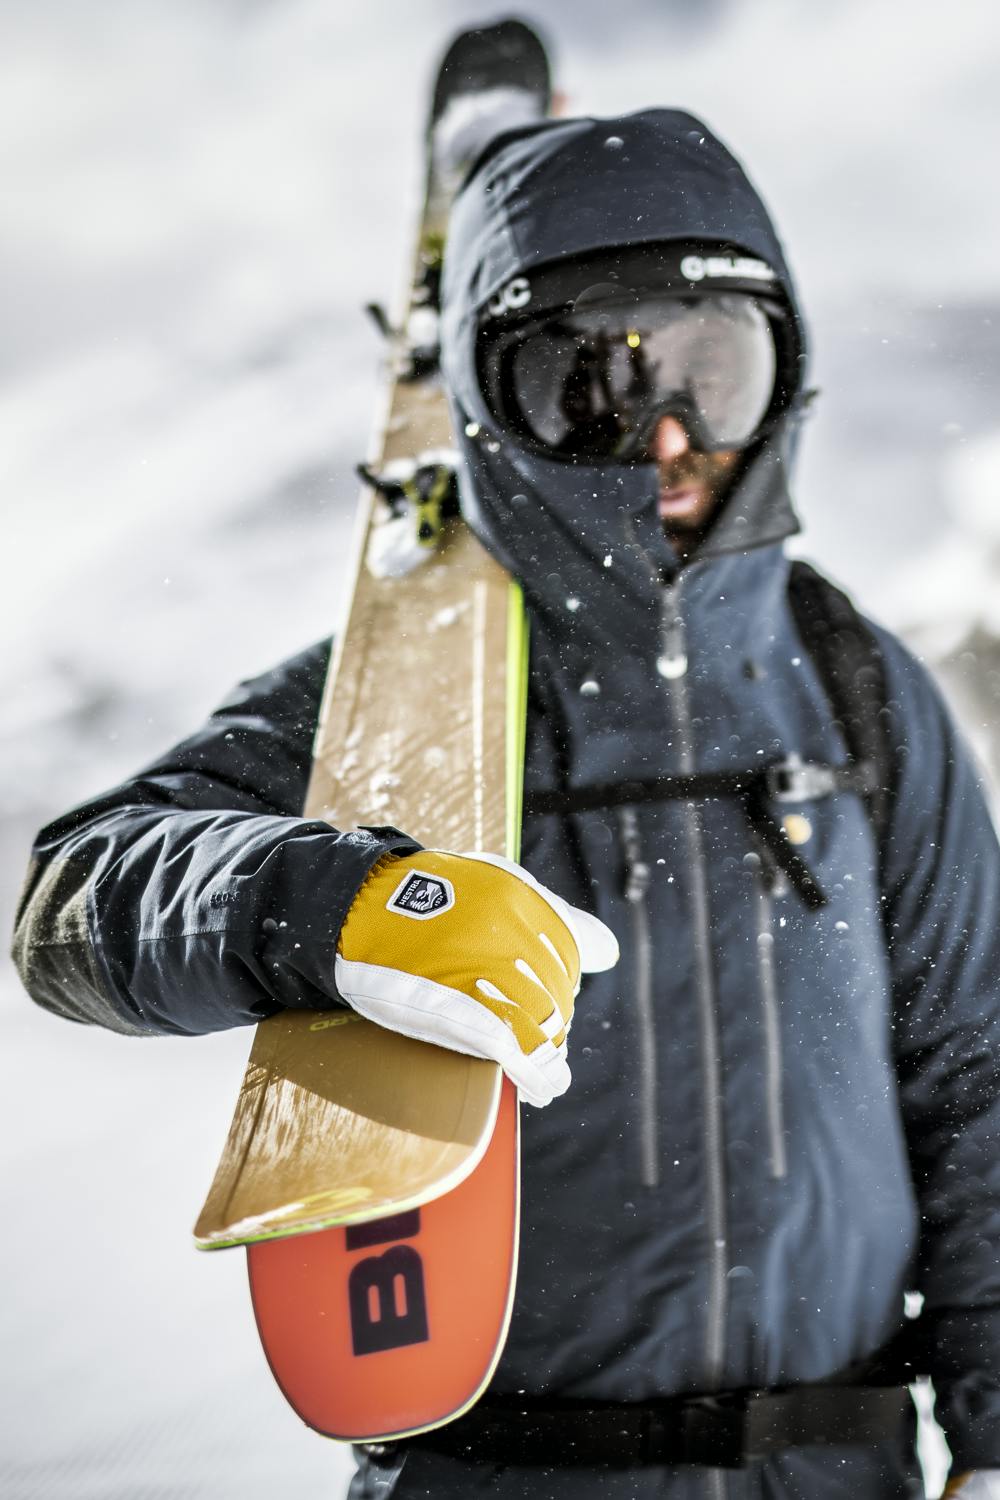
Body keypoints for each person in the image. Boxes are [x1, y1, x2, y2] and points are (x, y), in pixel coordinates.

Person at [12, 80, 1000, 1500]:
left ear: (787, 370)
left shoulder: (852, 684)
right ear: (492, 399)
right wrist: (336, 905)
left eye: (715, 370)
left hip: (837, 1470)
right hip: (502, 1474)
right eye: (593, 381)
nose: (668, 436)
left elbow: (977, 1074)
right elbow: (71, 906)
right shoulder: (399, 696)